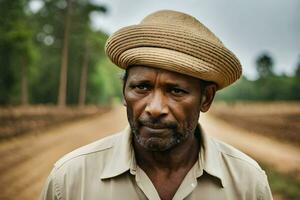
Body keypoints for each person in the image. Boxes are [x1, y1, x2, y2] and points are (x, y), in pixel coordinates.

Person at [40, 10, 273, 200]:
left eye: (176, 91)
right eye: (141, 87)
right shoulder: (69, 181)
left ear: (206, 98)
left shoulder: (248, 185)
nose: (155, 108)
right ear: (124, 92)